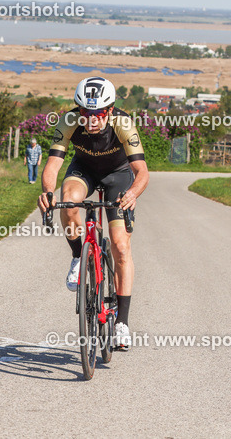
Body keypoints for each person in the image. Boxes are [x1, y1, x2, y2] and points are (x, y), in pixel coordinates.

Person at [36, 76, 149, 351]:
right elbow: (52, 165)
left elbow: (142, 172)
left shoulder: (123, 123)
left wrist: (132, 193)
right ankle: (78, 256)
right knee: (69, 201)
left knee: (121, 246)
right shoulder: (69, 121)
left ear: (109, 110)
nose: (92, 119)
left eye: (98, 113)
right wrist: (48, 193)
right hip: (83, 170)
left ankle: (122, 323)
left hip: (118, 175)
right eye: (86, 112)